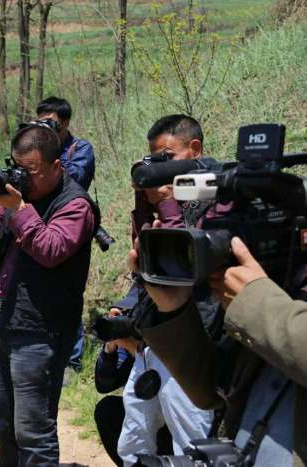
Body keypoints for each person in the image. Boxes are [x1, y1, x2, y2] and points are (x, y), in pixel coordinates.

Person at [0, 122, 99, 465]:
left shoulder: (76, 205)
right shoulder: (20, 193)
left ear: (57, 166)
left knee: (33, 431)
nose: (24, 178)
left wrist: (19, 209)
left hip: (42, 329)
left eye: (31, 171)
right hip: (6, 318)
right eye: (17, 168)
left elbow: (52, 248)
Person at [130, 233, 307, 466]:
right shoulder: (291, 281)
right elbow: (213, 390)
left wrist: (257, 304)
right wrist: (172, 307)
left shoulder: (267, 302)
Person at [116, 115, 221, 465]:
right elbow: (148, 258)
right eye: (154, 160)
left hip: (196, 336)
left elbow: (182, 266)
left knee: (190, 446)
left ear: (195, 150)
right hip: (157, 336)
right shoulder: (171, 195)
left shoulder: (218, 193)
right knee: (132, 440)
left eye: (166, 157)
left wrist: (166, 203)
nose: (161, 168)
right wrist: (145, 202)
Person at [36, 96, 96, 373]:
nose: (46, 129)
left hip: (72, 226)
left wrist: (48, 153)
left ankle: (71, 361)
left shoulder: (79, 149)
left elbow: (74, 179)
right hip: (38, 226)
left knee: (70, 291)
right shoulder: (34, 148)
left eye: (52, 123)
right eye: (41, 122)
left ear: (66, 122)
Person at [92, 284, 173, 466]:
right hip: (145, 419)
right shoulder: (129, 337)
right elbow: (103, 385)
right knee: (107, 410)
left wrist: (139, 351)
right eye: (120, 313)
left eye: (128, 314)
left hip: (169, 420)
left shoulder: (162, 340)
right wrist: (110, 349)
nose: (124, 320)